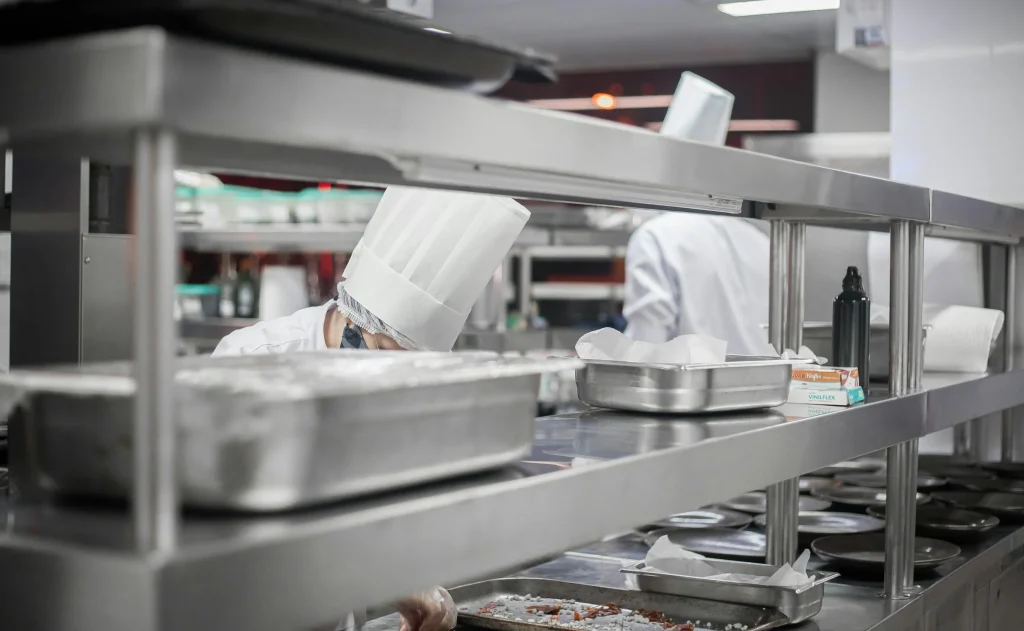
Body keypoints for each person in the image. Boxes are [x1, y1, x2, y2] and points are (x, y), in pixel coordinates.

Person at [214, 185, 531, 631]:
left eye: (415, 366)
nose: (398, 378)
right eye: (386, 351)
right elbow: (230, 531)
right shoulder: (249, 360)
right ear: (354, 321)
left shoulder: (411, 388)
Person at [623, 213, 772, 355]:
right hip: (769, 379)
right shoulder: (763, 240)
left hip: (688, 381)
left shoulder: (655, 238)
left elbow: (645, 349)